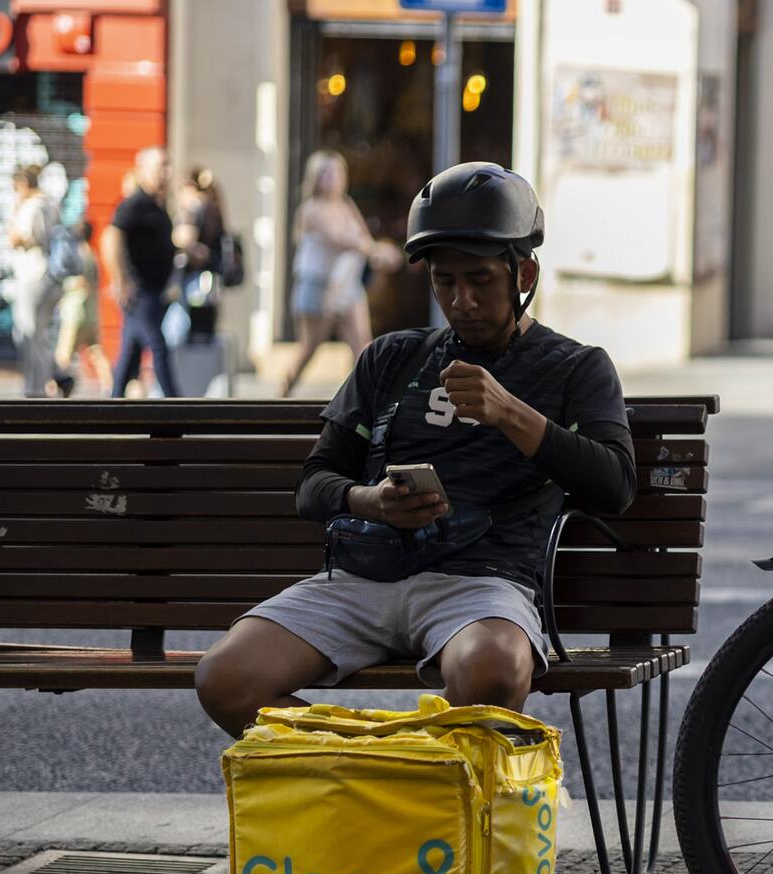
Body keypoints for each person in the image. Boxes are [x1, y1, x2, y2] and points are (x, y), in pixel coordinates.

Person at [194, 162, 640, 737]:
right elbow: (314, 483)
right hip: (363, 577)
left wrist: (510, 413)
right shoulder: (391, 356)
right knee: (224, 679)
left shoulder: (576, 367)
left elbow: (615, 485)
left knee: (494, 673)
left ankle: (400, 777)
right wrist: (369, 500)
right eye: (444, 280)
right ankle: (380, 772)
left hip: (483, 583)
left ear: (524, 273)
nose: (462, 301)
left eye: (481, 281)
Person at [283, 150, 400, 398]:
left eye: (336, 171)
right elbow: (340, 239)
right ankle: (282, 395)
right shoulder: (311, 209)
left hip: (347, 284)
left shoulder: (346, 204)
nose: (331, 177)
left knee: (362, 346)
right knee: (309, 349)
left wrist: (377, 251)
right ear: (314, 177)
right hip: (318, 285)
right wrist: (379, 251)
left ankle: (362, 400)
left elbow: (362, 239)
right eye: (325, 172)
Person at [103, 147, 182, 398]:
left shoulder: (158, 206)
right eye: (161, 167)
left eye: (168, 166)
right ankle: (175, 404)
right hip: (140, 291)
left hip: (154, 289)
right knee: (158, 346)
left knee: (131, 353)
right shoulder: (134, 204)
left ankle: (113, 405)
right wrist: (122, 280)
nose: (166, 173)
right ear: (144, 171)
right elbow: (110, 238)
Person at [7, 164, 64, 398]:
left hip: (33, 276)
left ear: (22, 184)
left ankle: (34, 388)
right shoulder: (51, 204)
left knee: (27, 333)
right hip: (50, 277)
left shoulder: (32, 206)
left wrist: (14, 213)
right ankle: (53, 377)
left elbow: (18, 238)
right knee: (40, 335)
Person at [53, 221, 110, 393]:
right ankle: (110, 387)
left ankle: (58, 389)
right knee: (96, 352)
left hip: (75, 312)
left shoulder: (78, 255)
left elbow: (79, 282)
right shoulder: (92, 255)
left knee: (63, 356)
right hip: (91, 312)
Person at [175, 166, 227, 345]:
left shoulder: (195, 207)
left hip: (194, 279)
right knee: (204, 332)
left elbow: (185, 238)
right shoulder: (214, 205)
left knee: (185, 334)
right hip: (210, 280)